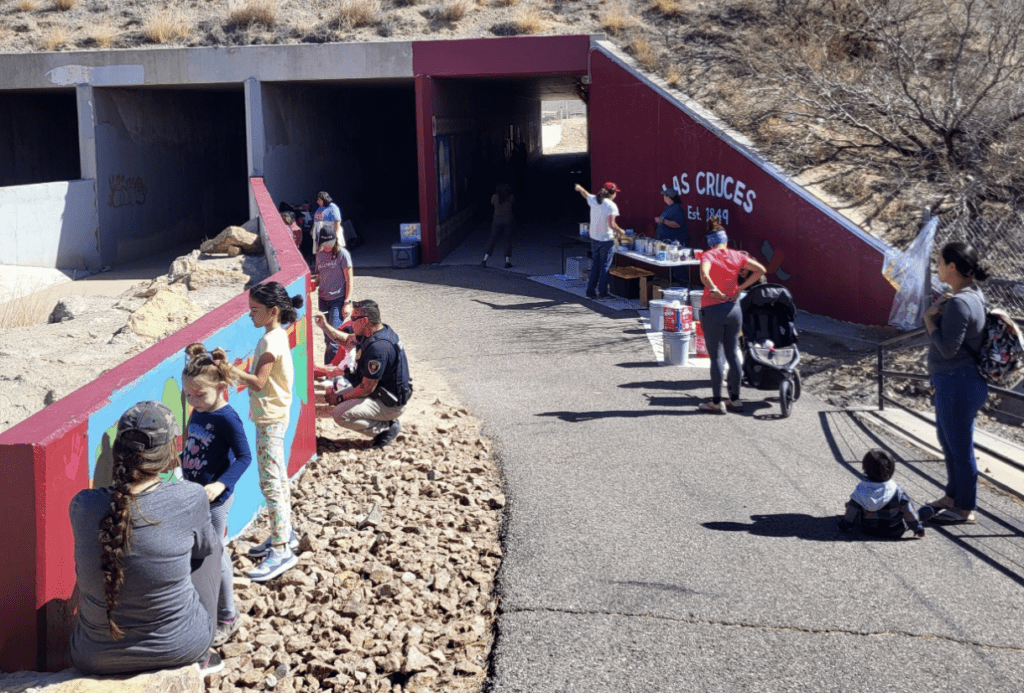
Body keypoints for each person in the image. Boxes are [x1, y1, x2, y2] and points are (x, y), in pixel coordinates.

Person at [69, 401, 224, 677]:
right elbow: (205, 548)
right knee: (211, 546)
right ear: (168, 451)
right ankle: (204, 654)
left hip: (92, 656)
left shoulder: (83, 505)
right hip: (181, 647)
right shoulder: (189, 496)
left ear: (118, 452)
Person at [217, 282, 303, 581]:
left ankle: (281, 550)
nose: (250, 316)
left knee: (270, 482)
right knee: (277, 477)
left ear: (273, 311)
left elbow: (257, 382)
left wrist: (228, 369)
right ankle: (286, 533)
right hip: (277, 413)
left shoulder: (269, 342)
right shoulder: (277, 335)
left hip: (270, 418)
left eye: (255, 311)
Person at [181, 343, 253, 647]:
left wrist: (221, 485)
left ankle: (227, 615)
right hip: (193, 494)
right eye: (189, 395)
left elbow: (244, 457)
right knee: (200, 553)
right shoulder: (199, 410)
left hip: (215, 500)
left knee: (215, 554)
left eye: (200, 395)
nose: (194, 401)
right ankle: (202, 603)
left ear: (221, 387)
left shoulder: (227, 418)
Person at [921, 241, 990, 525]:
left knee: (960, 447)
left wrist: (929, 320)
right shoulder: (971, 295)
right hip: (958, 381)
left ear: (952, 266)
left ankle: (964, 508)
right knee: (949, 443)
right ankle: (952, 496)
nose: (936, 266)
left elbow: (948, 349)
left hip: (957, 382)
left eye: (939, 261)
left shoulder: (961, 302)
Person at [317, 299, 412, 449]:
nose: (350, 322)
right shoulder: (375, 332)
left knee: (340, 413)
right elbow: (346, 340)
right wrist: (324, 326)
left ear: (365, 321)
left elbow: (366, 388)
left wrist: (340, 397)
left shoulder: (378, 348)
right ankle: (385, 422)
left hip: (390, 403)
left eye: (353, 319)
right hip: (381, 392)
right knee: (340, 397)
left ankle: (385, 430)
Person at [697, 217, 766, 413]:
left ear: (710, 242)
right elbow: (761, 270)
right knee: (733, 352)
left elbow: (704, 274)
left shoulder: (708, 256)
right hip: (734, 309)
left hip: (713, 308)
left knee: (716, 356)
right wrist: (741, 288)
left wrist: (713, 289)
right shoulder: (736, 255)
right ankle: (735, 399)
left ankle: (717, 401)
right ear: (725, 240)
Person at [838, 449, 929, 539]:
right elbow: (908, 509)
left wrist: (844, 525)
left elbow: (852, 510)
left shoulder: (861, 489)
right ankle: (917, 521)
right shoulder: (897, 490)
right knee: (906, 510)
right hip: (895, 531)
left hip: (868, 529)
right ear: (891, 469)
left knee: (855, 505)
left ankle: (916, 518)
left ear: (865, 468)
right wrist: (918, 529)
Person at [573, 181, 625, 301]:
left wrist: (580, 187)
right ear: (612, 193)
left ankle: (590, 291)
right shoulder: (611, 205)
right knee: (605, 267)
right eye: (615, 193)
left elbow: (585, 194)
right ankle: (603, 293)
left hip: (594, 238)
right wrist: (621, 231)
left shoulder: (595, 200)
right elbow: (612, 225)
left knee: (596, 264)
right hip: (606, 239)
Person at [314, 227, 354, 365]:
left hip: (338, 299)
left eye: (329, 242)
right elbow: (319, 276)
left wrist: (347, 302)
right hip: (323, 300)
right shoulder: (319, 255)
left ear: (335, 240)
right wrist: (311, 285)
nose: (327, 246)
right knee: (327, 338)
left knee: (335, 338)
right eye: (324, 243)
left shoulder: (342, 254)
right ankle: (329, 369)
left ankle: (334, 372)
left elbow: (349, 279)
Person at [481, 183, 515, 269]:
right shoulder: (510, 197)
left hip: (496, 220)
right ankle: (507, 261)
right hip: (508, 220)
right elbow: (512, 203)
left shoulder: (495, 197)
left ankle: (484, 260)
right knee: (507, 240)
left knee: (492, 239)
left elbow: (492, 203)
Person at [312, 191, 342, 255]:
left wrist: (335, 235)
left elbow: (337, 221)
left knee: (328, 254)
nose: (317, 202)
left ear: (325, 199)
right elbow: (316, 220)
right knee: (321, 254)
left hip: (328, 236)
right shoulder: (320, 208)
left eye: (319, 200)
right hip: (319, 236)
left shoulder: (332, 207)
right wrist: (312, 229)